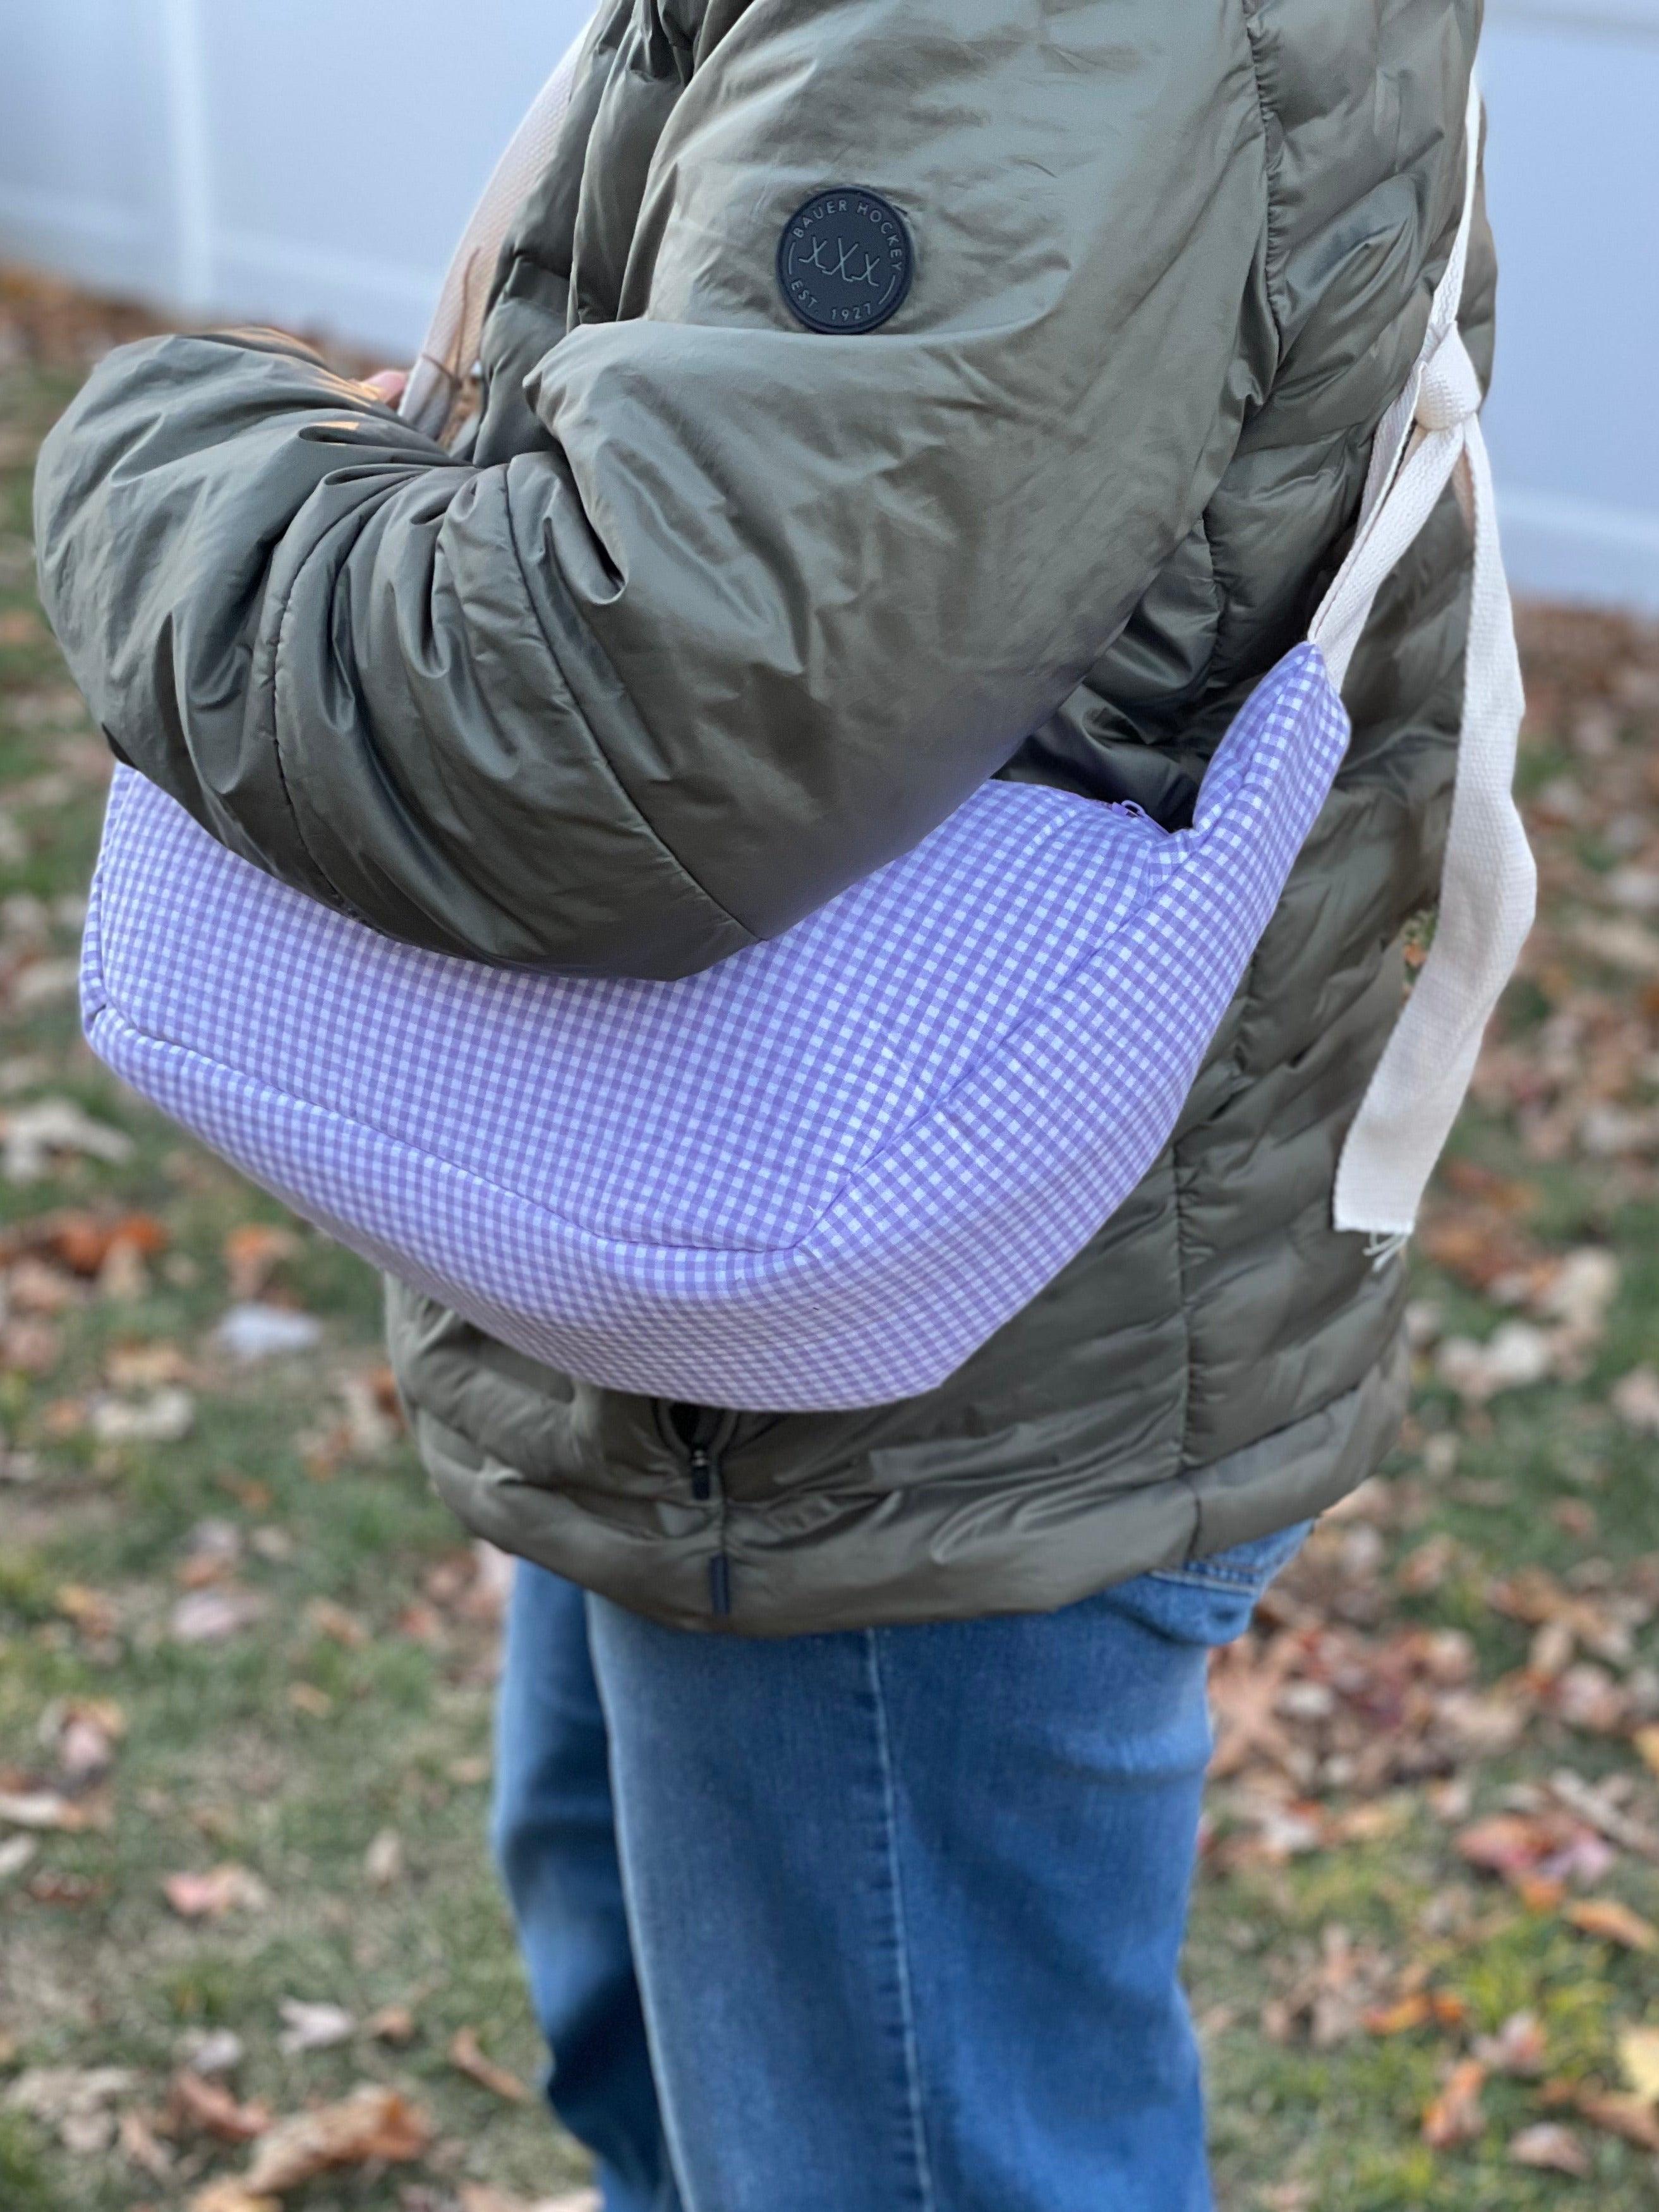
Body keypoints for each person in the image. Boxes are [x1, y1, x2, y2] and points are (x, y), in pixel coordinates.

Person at [33, 1, 1493, 2203]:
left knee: (881, 2150)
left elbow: (613, 728)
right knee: (701, 2093)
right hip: (780, 1308)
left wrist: (157, 443)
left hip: (902, 1392)